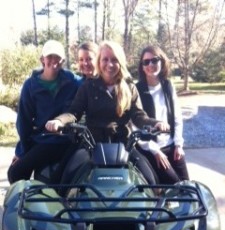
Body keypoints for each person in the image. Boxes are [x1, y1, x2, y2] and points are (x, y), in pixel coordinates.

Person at [45, 40, 169, 185]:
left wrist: (156, 123)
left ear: (120, 62)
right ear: (99, 61)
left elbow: (138, 116)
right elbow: (74, 112)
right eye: (105, 59)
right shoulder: (88, 86)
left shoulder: (129, 87)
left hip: (124, 145)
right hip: (91, 144)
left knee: (151, 181)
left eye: (114, 60)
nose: (109, 64)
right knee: (63, 181)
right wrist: (59, 121)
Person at [7, 40, 82, 184]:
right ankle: (26, 203)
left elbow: (90, 81)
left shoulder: (73, 82)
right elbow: (24, 122)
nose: (53, 61)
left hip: (66, 140)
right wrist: (21, 151)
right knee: (15, 171)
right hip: (43, 139)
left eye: (57, 57)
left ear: (63, 61)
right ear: (42, 59)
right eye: (49, 57)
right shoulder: (30, 86)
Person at [135, 45, 189, 184]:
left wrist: (178, 144)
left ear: (162, 61)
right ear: (142, 66)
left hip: (171, 145)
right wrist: (155, 151)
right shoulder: (137, 90)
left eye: (154, 60)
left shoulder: (168, 85)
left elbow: (177, 117)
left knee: (187, 185)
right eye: (146, 62)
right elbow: (135, 127)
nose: (150, 65)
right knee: (175, 185)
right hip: (152, 149)